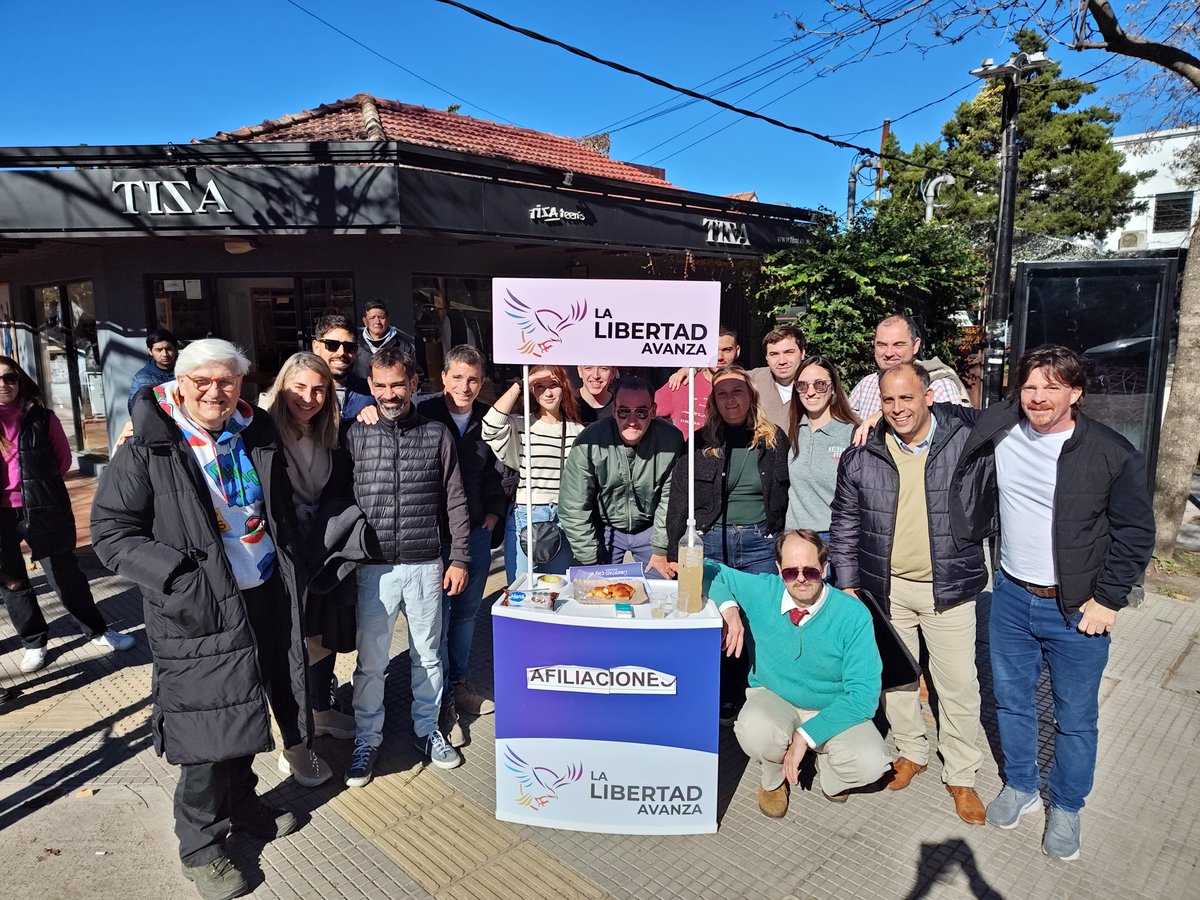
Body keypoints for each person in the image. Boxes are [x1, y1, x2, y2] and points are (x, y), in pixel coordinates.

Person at [91, 339, 309, 900]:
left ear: (241, 383)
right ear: (180, 384)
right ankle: (201, 846)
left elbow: (270, 507)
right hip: (196, 609)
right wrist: (182, 579)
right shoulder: (149, 445)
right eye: (203, 382)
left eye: (227, 382)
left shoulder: (253, 431)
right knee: (204, 730)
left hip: (260, 592)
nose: (216, 392)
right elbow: (112, 534)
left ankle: (243, 805)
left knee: (247, 708)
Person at [950, 345, 1154, 860]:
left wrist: (1107, 601)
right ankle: (1021, 786)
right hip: (1013, 598)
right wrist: (864, 421)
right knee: (1012, 702)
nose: (1038, 397)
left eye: (1052, 387)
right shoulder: (1001, 429)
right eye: (1030, 386)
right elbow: (937, 414)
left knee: (1075, 717)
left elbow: (1135, 534)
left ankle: (1066, 805)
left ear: (1076, 393)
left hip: (1080, 608)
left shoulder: (1112, 453)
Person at [828, 362, 989, 825]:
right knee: (897, 679)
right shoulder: (864, 453)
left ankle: (961, 775)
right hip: (888, 588)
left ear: (929, 397)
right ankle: (911, 752)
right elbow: (844, 523)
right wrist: (850, 583)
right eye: (889, 400)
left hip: (949, 586)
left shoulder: (963, 437)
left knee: (958, 684)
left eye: (907, 398)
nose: (898, 409)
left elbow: (1002, 414)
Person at [343, 347, 470, 786]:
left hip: (424, 563)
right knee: (371, 661)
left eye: (397, 384)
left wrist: (460, 558)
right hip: (372, 568)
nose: (389, 393)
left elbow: (455, 499)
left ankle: (427, 728)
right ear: (371, 386)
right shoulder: (354, 434)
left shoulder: (437, 434)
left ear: (414, 383)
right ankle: (366, 738)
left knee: (428, 655)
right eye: (379, 385)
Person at [711, 530, 891, 817]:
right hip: (775, 696)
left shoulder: (853, 615)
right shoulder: (764, 590)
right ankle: (773, 779)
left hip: (832, 705)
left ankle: (830, 775)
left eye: (810, 570)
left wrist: (805, 736)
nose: (801, 578)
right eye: (790, 572)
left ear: (825, 567)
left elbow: (864, 696)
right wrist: (730, 610)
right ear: (778, 569)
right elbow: (710, 570)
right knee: (754, 729)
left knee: (872, 763)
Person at [664, 365, 790, 724]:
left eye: (738, 391)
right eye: (722, 393)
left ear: (751, 396)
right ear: (714, 402)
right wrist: (674, 552)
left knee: (756, 624)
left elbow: (784, 495)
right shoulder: (699, 442)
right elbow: (679, 499)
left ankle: (755, 697)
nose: (731, 399)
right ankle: (717, 695)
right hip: (710, 543)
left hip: (758, 543)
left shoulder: (773, 440)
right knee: (713, 620)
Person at [0, 358, 135, 674]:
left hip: (44, 507)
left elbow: (62, 461)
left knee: (64, 575)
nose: (4, 384)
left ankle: (99, 630)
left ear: (20, 382)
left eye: (10, 378)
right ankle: (34, 642)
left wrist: (36, 489)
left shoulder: (42, 419)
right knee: (13, 583)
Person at [265, 353, 365, 768]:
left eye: (318, 389)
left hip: (323, 547)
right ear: (282, 386)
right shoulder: (259, 429)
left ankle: (320, 710)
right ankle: (293, 734)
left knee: (324, 635)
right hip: (281, 550)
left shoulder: (334, 433)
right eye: (299, 388)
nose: (308, 398)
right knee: (290, 642)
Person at [416, 345, 508, 747]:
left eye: (473, 379)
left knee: (468, 611)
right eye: (457, 377)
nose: (465, 386)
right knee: (434, 615)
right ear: (443, 377)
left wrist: (494, 511)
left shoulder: (490, 419)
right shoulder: (423, 412)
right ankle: (437, 697)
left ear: (482, 381)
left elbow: (503, 469)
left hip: (474, 530)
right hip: (431, 534)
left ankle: (459, 683)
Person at [559, 375, 682, 578]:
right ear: (614, 410)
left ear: (653, 411)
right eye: (624, 411)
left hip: (651, 527)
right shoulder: (588, 442)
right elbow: (574, 505)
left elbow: (671, 500)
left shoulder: (671, 440)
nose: (632, 421)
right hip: (604, 527)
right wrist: (589, 557)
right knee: (593, 589)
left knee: (664, 588)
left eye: (641, 412)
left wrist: (661, 549)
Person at [483, 365, 585, 583]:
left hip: (565, 516)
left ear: (564, 387)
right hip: (527, 514)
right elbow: (490, 426)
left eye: (554, 385)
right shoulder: (521, 424)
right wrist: (522, 383)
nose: (547, 393)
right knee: (521, 589)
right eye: (539, 386)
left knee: (559, 590)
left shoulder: (578, 431)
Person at [666, 324, 805, 431]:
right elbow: (720, 375)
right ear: (766, 357)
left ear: (803, 353)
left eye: (788, 352)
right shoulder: (751, 379)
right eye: (774, 354)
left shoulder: (818, 384)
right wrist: (693, 368)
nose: (782, 360)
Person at [785, 356, 860, 539]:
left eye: (820, 384)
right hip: (795, 538)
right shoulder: (796, 431)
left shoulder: (853, 433)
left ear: (833, 387)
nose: (810, 392)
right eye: (802, 385)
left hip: (835, 538)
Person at [848, 315, 968, 419]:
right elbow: (843, 426)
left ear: (915, 346)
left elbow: (952, 435)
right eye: (882, 345)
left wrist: (880, 420)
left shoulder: (938, 385)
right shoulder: (867, 385)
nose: (889, 353)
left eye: (898, 345)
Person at [654, 327, 741, 436]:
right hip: (687, 452)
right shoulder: (683, 382)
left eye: (726, 350)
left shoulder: (745, 387)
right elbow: (646, 412)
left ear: (737, 351)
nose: (719, 357)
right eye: (713, 350)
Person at [311, 314, 374, 420]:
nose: (341, 352)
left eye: (349, 347)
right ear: (316, 347)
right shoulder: (299, 393)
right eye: (332, 345)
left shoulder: (371, 393)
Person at [352, 300, 419, 380]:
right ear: (365, 321)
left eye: (381, 318)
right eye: (372, 318)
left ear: (388, 319)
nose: (377, 322)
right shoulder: (355, 346)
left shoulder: (403, 345)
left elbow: (416, 375)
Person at [128, 328, 179, 414]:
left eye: (169, 349)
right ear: (150, 351)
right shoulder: (141, 378)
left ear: (176, 349)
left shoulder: (187, 372)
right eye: (159, 350)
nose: (165, 354)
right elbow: (134, 407)